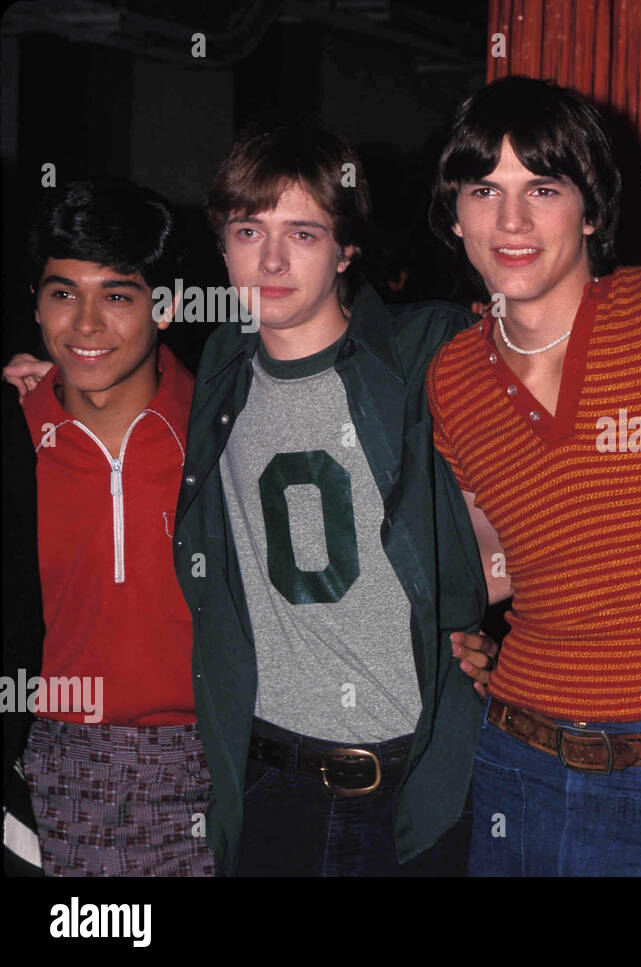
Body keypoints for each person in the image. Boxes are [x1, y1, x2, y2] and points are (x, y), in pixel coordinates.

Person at [427, 76, 641, 876]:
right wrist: (457, 627)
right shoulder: (453, 376)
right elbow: (494, 562)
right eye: (483, 190)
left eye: (542, 187)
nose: (511, 221)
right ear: (456, 212)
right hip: (517, 756)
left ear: (594, 207)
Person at [174, 122, 487, 875]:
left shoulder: (427, 355)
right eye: (249, 229)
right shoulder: (218, 367)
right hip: (272, 779)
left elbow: (555, 472)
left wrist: (518, 632)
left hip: (419, 783)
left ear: (347, 249)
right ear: (223, 244)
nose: (271, 260)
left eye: (304, 233)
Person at [3, 179, 212, 876]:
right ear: (36, 301)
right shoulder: (14, 434)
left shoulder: (224, 431)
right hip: (46, 762)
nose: (85, 325)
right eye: (63, 293)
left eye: (117, 296)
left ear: (169, 305)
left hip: (203, 762)